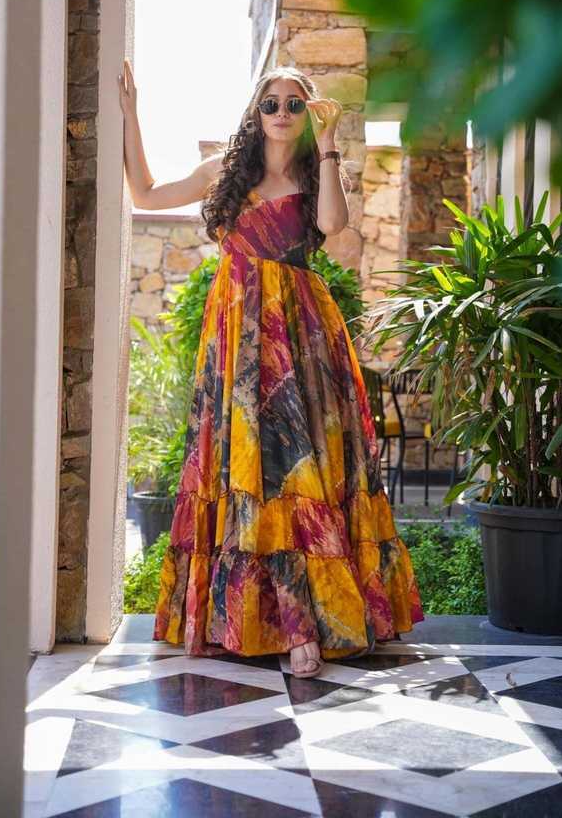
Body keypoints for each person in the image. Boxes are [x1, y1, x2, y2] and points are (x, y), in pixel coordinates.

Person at [119, 59, 424, 678]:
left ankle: (304, 624)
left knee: (299, 467)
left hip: (301, 336)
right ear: (255, 113)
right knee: (245, 465)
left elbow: (333, 226)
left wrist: (330, 143)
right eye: (271, 103)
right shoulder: (224, 173)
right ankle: (249, 619)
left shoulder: (314, 176)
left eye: (294, 104)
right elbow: (146, 195)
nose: (281, 113)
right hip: (237, 333)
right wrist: (130, 114)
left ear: (307, 114)